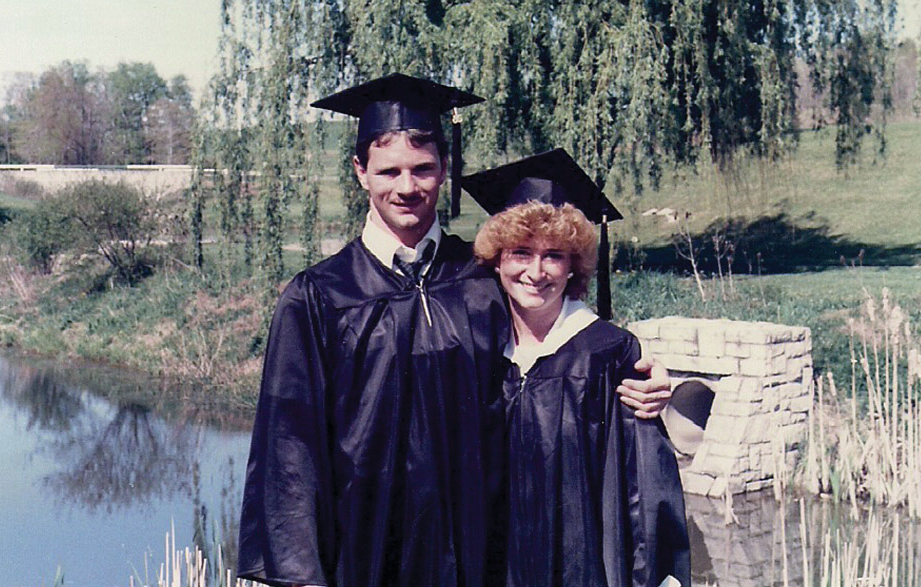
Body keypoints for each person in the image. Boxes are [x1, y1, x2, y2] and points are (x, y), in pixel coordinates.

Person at [236, 74, 673, 587]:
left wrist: (644, 380)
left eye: (422, 169)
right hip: (363, 549)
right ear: (360, 172)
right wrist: (300, 576)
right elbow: (289, 449)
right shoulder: (319, 297)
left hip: (477, 551)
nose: (407, 187)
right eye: (389, 171)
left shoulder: (481, 276)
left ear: (444, 169)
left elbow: (558, 354)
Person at [466, 149, 691, 587]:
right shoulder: (475, 350)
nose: (536, 271)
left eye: (554, 255)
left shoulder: (609, 353)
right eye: (520, 252)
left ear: (574, 266)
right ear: (497, 259)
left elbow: (646, 493)